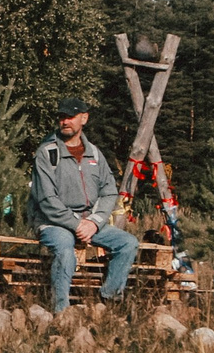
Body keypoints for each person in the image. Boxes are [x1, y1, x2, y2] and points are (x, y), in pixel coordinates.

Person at [28, 96, 138, 312]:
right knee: (64, 248)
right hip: (53, 223)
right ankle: (60, 311)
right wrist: (76, 224)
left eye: (70, 117)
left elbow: (109, 192)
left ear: (84, 118)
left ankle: (108, 301)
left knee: (128, 243)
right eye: (61, 117)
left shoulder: (95, 154)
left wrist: (94, 223)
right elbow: (47, 200)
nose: (65, 121)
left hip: (89, 223)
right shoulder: (47, 153)